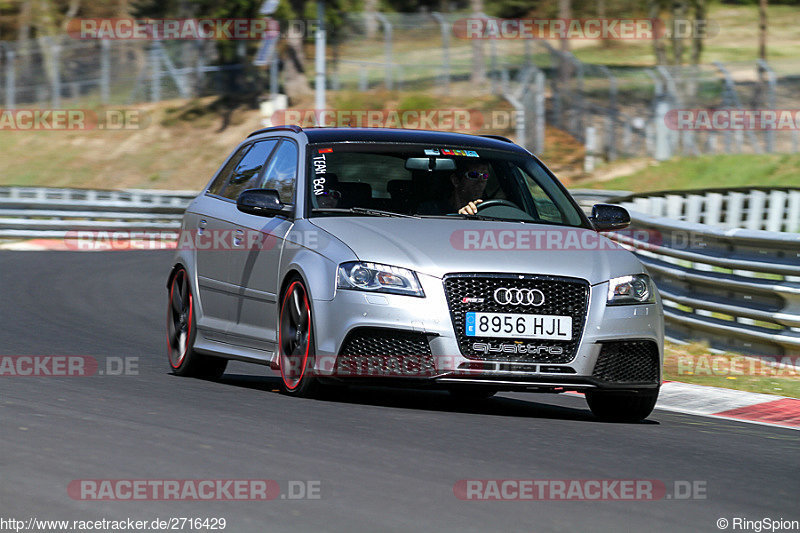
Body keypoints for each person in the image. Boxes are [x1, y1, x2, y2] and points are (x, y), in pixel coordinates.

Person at [415, 161, 490, 215]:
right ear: (455, 181)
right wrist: (460, 217)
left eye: (485, 176)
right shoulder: (431, 210)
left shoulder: (489, 211)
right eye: (473, 175)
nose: (481, 181)